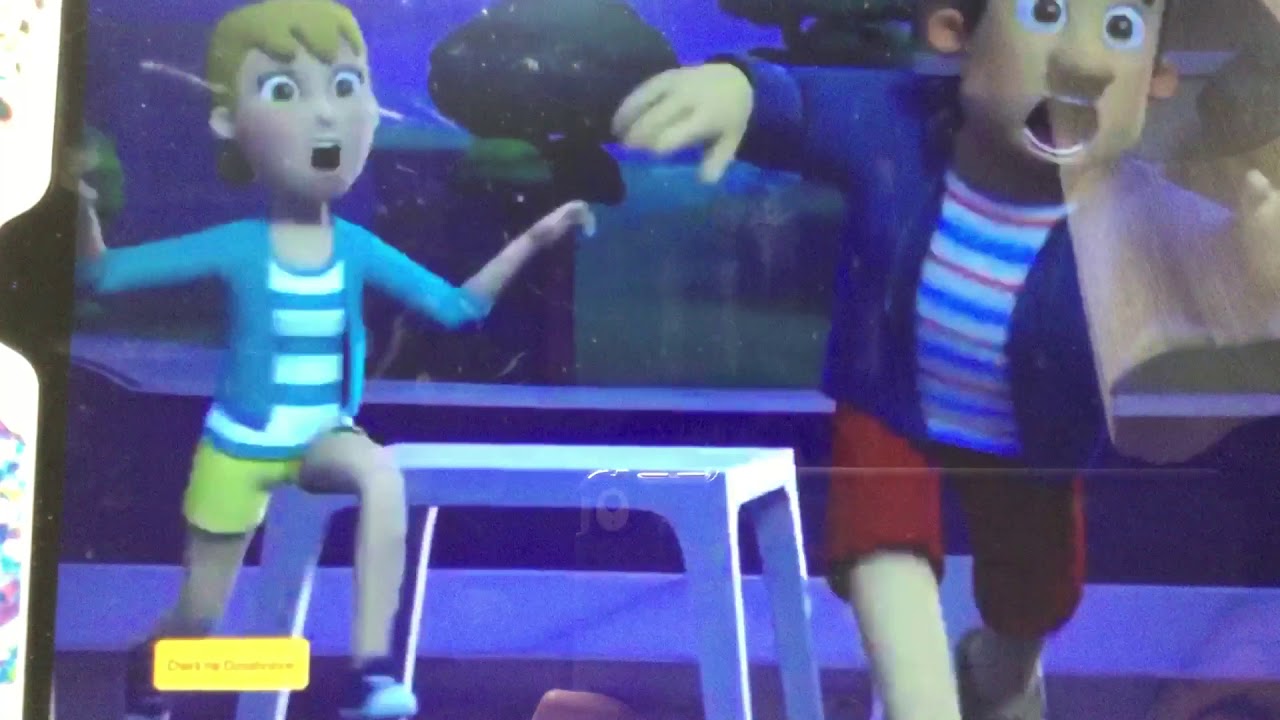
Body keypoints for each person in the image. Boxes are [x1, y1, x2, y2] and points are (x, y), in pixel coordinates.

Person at [611, 0, 1280, 718]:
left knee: (1034, 594)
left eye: (1123, 27)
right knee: (881, 543)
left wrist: (1256, 260)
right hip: (891, 403)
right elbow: (806, 102)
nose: (1086, 61)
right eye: (1045, 11)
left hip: (1037, 435)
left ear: (1157, 79)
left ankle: (1003, 670)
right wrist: (741, 89)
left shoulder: (1138, 208)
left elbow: (1214, 266)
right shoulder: (900, 126)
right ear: (954, 32)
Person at [73, 2, 595, 719]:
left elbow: (456, 309)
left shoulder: (356, 247)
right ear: (228, 121)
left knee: (378, 474)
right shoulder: (237, 245)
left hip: (323, 439)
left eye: (346, 86)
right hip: (239, 448)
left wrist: (534, 238)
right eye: (284, 89)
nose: (325, 114)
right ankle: (151, 674)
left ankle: (370, 674)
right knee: (200, 614)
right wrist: (79, 207)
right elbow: (102, 276)